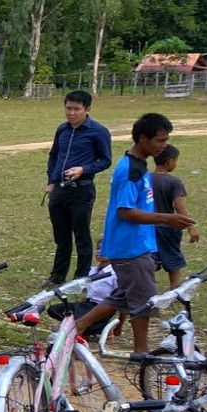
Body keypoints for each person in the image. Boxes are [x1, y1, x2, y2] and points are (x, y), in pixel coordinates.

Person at [72, 113, 193, 353]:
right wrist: (168, 219)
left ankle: (77, 327)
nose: (164, 146)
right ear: (142, 139)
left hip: (139, 244)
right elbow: (126, 212)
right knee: (143, 302)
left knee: (124, 296)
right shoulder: (129, 170)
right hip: (129, 247)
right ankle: (141, 352)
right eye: (160, 140)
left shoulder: (139, 165)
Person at [45, 89, 113, 287]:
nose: (71, 113)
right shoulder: (63, 130)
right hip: (59, 189)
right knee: (61, 236)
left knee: (81, 235)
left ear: (87, 109)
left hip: (81, 190)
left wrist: (84, 169)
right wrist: (51, 180)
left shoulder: (98, 132)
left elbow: (105, 160)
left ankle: (81, 278)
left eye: (76, 109)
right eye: (68, 108)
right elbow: (54, 155)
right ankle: (57, 277)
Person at [149, 146, 196, 288]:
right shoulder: (174, 182)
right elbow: (179, 206)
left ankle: (147, 287)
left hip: (147, 226)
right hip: (168, 227)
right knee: (173, 260)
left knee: (150, 259)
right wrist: (191, 227)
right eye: (176, 160)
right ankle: (174, 289)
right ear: (170, 161)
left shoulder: (145, 179)